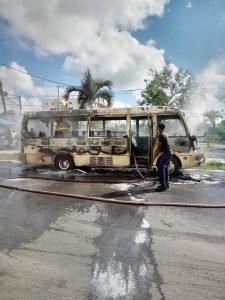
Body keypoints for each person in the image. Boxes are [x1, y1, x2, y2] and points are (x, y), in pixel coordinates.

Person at [154, 122, 173, 191]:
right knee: (165, 168)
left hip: (167, 152)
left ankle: (163, 185)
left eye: (157, 127)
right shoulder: (165, 134)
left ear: (159, 128)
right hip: (169, 152)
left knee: (160, 168)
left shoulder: (161, 135)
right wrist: (157, 151)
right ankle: (166, 184)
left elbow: (160, 145)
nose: (157, 128)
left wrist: (156, 152)